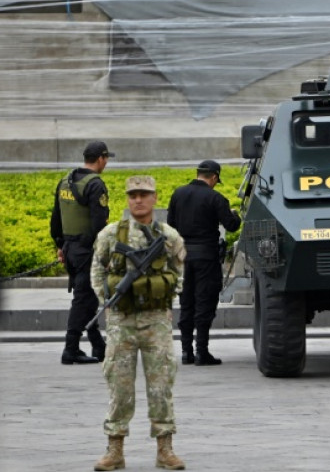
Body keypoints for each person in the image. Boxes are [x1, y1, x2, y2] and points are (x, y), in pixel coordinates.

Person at [90, 176, 186, 471]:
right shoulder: (110, 234)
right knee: (120, 387)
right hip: (122, 320)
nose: (138, 200)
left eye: (144, 195)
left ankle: (165, 449)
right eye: (133, 195)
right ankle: (114, 449)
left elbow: (179, 274)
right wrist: (108, 303)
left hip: (156, 321)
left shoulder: (169, 236)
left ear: (155, 198)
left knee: (161, 387)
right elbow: (96, 272)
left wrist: (164, 299)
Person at [167, 160, 241, 366]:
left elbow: (170, 226)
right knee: (204, 303)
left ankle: (186, 352)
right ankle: (201, 352)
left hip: (184, 257)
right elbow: (232, 225)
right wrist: (236, 215)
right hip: (206, 258)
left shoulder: (178, 194)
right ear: (214, 177)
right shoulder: (215, 197)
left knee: (187, 303)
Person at [50, 140, 112, 364]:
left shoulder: (65, 181)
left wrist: (60, 245)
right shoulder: (95, 185)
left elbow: (56, 218)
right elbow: (99, 225)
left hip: (69, 249)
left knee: (87, 297)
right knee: (83, 298)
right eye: (106, 159)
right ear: (101, 159)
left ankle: (98, 346)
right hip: (87, 251)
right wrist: (103, 253)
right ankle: (71, 348)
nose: (106, 163)